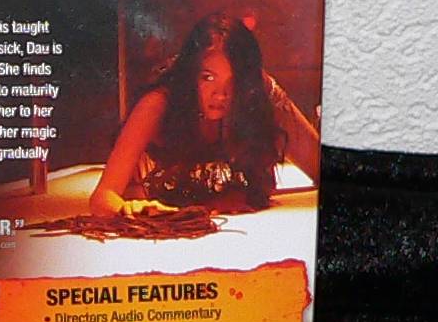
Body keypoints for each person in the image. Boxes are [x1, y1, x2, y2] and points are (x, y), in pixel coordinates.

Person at [90, 13, 320, 216]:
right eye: (208, 77)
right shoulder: (160, 102)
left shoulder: (259, 93)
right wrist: (130, 210)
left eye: (233, 81)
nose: (220, 94)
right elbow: (103, 197)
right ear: (191, 74)